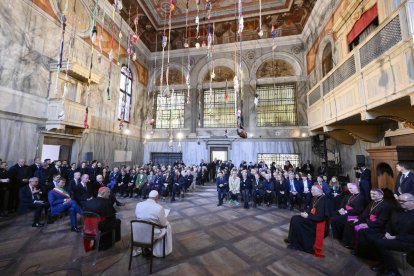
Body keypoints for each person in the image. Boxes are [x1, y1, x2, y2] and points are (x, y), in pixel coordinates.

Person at [370, 193, 414, 276]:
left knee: (380, 243)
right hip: (392, 235)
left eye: (403, 201)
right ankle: (384, 263)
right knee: (372, 238)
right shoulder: (397, 209)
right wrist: (387, 232)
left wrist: (394, 237)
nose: (400, 203)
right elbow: (390, 223)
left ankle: (393, 271)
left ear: (413, 202)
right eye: (399, 200)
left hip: (406, 241)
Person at [284, 184, 329, 256]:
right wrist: (306, 213)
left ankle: (296, 244)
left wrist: (307, 216)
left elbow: (320, 217)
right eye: (311, 190)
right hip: (311, 218)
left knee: (297, 222)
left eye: (313, 190)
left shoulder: (324, 200)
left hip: (316, 222)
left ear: (319, 191)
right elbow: (310, 209)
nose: (311, 191)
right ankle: (291, 239)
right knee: (294, 218)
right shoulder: (315, 197)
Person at [351, 189, 394, 257]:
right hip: (370, 222)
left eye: (374, 194)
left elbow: (382, 221)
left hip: (379, 227)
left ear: (381, 195)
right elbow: (365, 213)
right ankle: (357, 248)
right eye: (371, 193)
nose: (372, 195)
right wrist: (358, 219)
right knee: (355, 224)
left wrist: (367, 225)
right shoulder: (372, 202)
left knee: (362, 231)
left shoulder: (386, 205)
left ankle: (366, 254)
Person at [135, 190, 172, 257]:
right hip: (151, 232)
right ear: (157, 197)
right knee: (167, 226)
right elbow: (163, 224)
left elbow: (137, 216)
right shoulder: (159, 208)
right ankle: (159, 252)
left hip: (138, 231)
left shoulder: (139, 204)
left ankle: (145, 247)